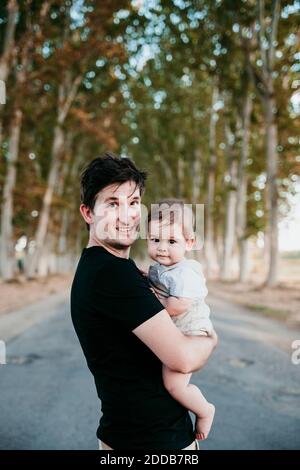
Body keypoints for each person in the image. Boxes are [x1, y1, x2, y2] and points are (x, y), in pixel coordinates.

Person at [70, 152, 218, 450]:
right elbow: (184, 358)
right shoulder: (110, 273)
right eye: (113, 204)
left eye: (134, 203)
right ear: (88, 213)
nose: (127, 216)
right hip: (152, 442)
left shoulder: (107, 268)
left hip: (132, 436)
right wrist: (212, 340)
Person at [146, 199, 215, 442]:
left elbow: (176, 306)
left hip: (191, 331)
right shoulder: (163, 266)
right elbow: (156, 280)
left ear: (190, 242)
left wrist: (150, 300)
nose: (162, 248)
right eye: (155, 240)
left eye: (172, 241)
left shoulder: (186, 272)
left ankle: (204, 410)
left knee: (174, 385)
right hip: (180, 330)